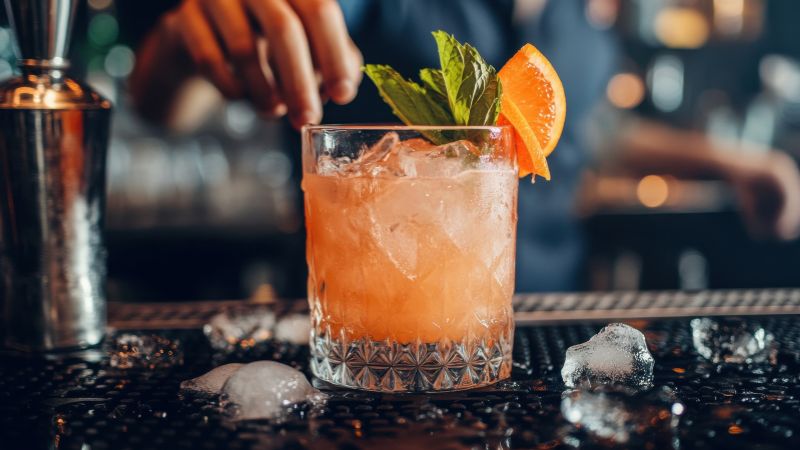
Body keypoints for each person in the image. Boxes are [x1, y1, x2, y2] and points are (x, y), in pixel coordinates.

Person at [128, 0, 616, 292]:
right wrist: (185, 41)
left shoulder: (585, 11)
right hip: (371, 339)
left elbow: (590, 133)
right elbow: (159, 105)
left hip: (547, 319)